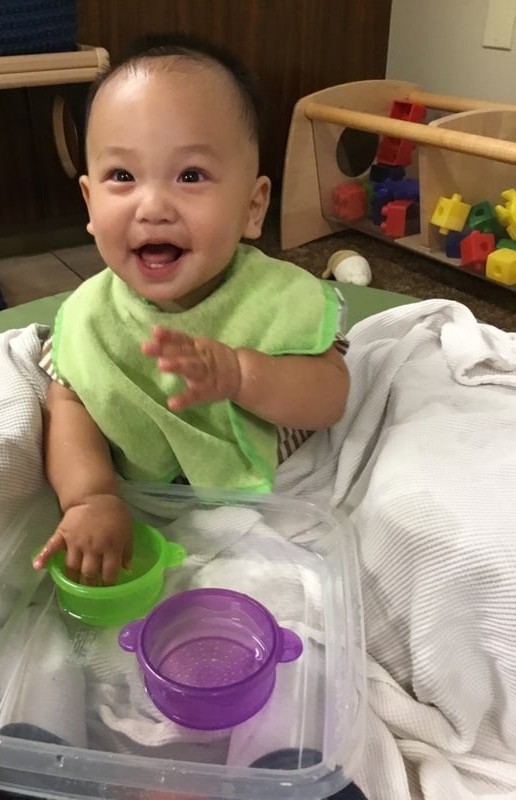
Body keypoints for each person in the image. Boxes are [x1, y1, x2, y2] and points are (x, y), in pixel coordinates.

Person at [32, 32, 350, 589]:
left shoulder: (275, 299)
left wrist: (242, 374)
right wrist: (90, 497)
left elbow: (331, 397)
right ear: (89, 202)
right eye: (122, 176)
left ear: (252, 207)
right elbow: (71, 401)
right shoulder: (90, 319)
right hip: (148, 503)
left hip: (284, 486)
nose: (153, 206)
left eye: (190, 175)